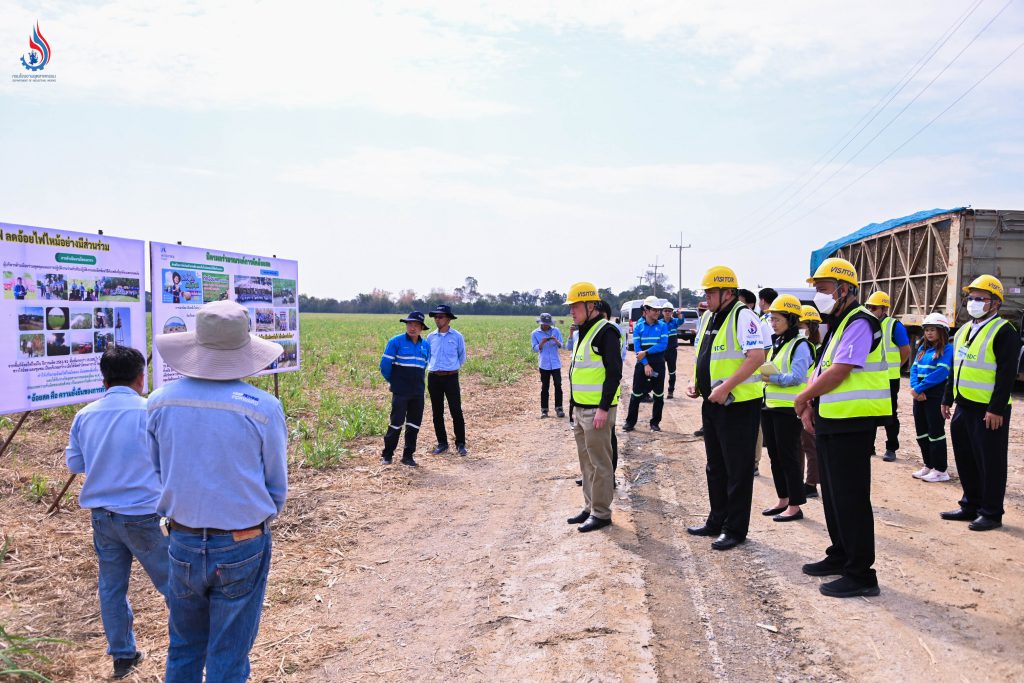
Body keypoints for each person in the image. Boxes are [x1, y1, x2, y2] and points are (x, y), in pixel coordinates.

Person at [148, 300, 287, 681]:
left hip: (182, 540)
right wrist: (257, 516)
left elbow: (157, 468)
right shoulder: (263, 407)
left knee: (184, 647)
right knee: (228, 654)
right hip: (242, 540)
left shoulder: (160, 401)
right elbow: (275, 483)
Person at [65, 347, 167, 680]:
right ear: (141, 377)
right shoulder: (150, 410)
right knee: (173, 584)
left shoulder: (85, 414)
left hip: (103, 517)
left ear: (103, 378)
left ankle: (123, 655)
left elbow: (75, 464)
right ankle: (189, 643)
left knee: (111, 587)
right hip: (143, 516)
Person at [795, 257, 889, 598]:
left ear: (844, 289)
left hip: (853, 422)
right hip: (832, 419)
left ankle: (861, 573)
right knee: (833, 496)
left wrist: (802, 397)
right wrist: (810, 404)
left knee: (851, 497)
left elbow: (842, 369)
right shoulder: (839, 323)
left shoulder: (860, 322)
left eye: (822, 290)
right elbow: (823, 368)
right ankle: (841, 555)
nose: (818, 297)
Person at [685, 266, 765, 551]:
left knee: (737, 470)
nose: (706, 298)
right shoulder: (709, 317)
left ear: (728, 292)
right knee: (715, 466)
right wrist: (697, 383)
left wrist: (726, 386)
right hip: (713, 403)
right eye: (705, 292)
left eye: (711, 292)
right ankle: (716, 520)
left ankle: (735, 529)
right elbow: (703, 356)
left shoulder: (744, 316)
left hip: (738, 405)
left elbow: (756, 357)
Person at [941, 275, 1020, 531]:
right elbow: (956, 367)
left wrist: (996, 408)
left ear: (995, 303)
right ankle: (970, 505)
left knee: (990, 462)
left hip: (989, 411)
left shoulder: (1004, 331)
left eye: (980, 298)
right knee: (966, 458)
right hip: (964, 407)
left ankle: (991, 512)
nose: (973, 302)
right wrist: (947, 398)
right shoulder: (964, 329)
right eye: (971, 297)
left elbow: (1007, 374)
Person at [565, 282, 622, 533]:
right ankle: (589, 507)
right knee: (586, 463)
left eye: (575, 306)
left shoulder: (606, 331)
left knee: (600, 463)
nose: (572, 312)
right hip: (580, 409)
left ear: (591, 306)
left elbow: (614, 373)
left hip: (597, 411)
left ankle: (601, 513)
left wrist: (602, 408)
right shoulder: (582, 332)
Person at [760, 295, 814, 522]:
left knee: (789, 456)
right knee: (774, 455)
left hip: (788, 409)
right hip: (770, 406)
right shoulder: (777, 342)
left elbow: (797, 376)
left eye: (776, 319)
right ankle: (783, 498)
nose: (772, 323)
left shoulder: (800, 345)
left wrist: (773, 379)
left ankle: (795, 504)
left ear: (790, 319)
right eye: (771, 319)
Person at [379, 311, 432, 466]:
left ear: (421, 327)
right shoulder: (396, 342)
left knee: (414, 425)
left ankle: (408, 456)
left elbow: (424, 365)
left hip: (418, 392)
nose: (412, 327)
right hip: (401, 392)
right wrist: (394, 381)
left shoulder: (425, 345)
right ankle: (387, 455)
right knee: (396, 423)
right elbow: (385, 366)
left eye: (416, 325)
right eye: (409, 324)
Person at [865, 291, 911, 461]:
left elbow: (905, 350)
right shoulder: (866, 324)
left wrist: (896, 367)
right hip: (870, 378)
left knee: (890, 414)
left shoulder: (894, 326)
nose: (870, 310)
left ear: (884, 308)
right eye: (868, 307)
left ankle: (891, 448)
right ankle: (869, 447)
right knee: (869, 412)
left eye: (874, 307)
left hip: (889, 379)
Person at [909, 313, 954, 483]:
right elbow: (913, 370)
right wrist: (915, 388)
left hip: (934, 395)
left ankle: (941, 469)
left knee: (935, 432)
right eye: (927, 330)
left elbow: (941, 372)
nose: (929, 333)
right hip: (919, 395)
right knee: (921, 433)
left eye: (933, 330)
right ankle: (928, 465)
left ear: (942, 331)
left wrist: (919, 388)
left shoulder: (947, 349)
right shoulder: (922, 349)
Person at [426, 304, 468, 456]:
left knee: (456, 410)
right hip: (434, 378)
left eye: (441, 316)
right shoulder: (430, 337)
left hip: (451, 378)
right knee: (437, 412)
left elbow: (461, 357)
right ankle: (442, 443)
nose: (437, 319)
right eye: (435, 317)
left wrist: (451, 368)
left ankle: (461, 444)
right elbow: (428, 356)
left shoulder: (457, 337)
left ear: (449, 319)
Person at [739, 288, 773, 475]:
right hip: (739, 386)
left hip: (755, 385)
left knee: (755, 427)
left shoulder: (760, 325)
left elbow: (764, 355)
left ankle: (754, 462)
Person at [623, 296, 668, 432]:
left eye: (658, 310)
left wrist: (646, 352)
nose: (657, 313)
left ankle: (655, 423)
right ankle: (630, 422)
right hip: (642, 364)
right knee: (636, 394)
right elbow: (637, 349)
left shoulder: (663, 326)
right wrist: (646, 364)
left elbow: (663, 345)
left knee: (658, 395)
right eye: (654, 310)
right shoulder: (638, 327)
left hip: (658, 362)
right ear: (646, 310)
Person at [798, 305, 823, 498]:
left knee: (809, 445)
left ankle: (811, 483)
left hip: (809, 400)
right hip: (800, 400)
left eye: (802, 324)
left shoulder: (817, 349)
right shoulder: (803, 347)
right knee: (800, 445)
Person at [532, 312, 565, 418]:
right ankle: (544, 410)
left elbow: (562, 345)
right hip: (544, 364)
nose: (547, 325)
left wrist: (556, 341)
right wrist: (542, 343)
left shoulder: (556, 331)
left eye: (548, 323)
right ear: (541, 323)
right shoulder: (535, 333)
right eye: (545, 323)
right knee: (545, 387)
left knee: (558, 386)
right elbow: (535, 348)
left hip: (555, 363)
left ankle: (559, 408)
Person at [693, 301, 709, 438]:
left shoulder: (710, 319)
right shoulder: (702, 320)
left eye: (704, 310)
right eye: (700, 310)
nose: (702, 313)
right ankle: (706, 426)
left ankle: (707, 427)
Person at [660, 300, 682, 398]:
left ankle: (670, 391)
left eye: (669, 311)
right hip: (662, 351)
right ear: (662, 312)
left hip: (672, 351)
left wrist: (680, 314)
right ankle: (658, 390)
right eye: (666, 311)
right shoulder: (659, 323)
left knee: (672, 372)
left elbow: (681, 321)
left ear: (672, 312)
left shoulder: (675, 322)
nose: (667, 312)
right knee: (660, 372)